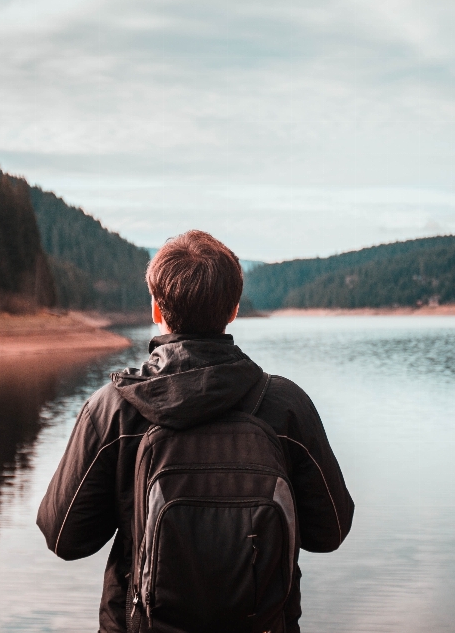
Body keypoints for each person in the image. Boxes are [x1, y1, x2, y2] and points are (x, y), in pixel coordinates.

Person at [37, 230, 354, 632]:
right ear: (234, 309)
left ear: (156, 308)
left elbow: (64, 537)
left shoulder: (113, 410)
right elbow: (330, 532)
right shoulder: (285, 406)